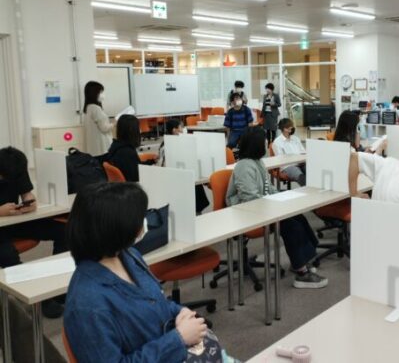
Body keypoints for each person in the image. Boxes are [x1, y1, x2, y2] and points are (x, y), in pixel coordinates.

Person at [64, 182, 234, 362]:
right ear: (116, 229)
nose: (144, 223)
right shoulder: (87, 304)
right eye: (138, 218)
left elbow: (155, 301)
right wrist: (178, 339)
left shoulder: (127, 255)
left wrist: (180, 312)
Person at [226, 128, 327, 288]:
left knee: (298, 217)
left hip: (260, 205)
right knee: (289, 225)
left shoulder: (258, 162)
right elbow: (250, 199)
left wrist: (283, 197)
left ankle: (302, 260)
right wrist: (275, 204)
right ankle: (301, 273)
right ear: (256, 145)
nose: (267, 144)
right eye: (264, 141)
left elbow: (268, 188)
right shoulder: (244, 166)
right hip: (245, 211)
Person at [0, 147, 67, 318]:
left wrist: (30, 203)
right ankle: (40, 298)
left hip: (15, 219)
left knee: (65, 231)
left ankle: (57, 289)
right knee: (7, 255)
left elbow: (27, 194)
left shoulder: (16, 166)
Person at [157, 119, 210, 214]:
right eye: (181, 127)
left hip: (180, 175)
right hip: (173, 178)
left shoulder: (173, 141)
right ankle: (197, 212)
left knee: (195, 182)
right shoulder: (168, 146)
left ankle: (197, 211)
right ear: (174, 130)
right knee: (195, 185)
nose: (183, 130)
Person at [105, 114, 142, 182]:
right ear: (133, 131)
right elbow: (136, 176)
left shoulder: (116, 145)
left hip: (121, 185)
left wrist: (150, 161)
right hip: (132, 185)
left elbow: (135, 166)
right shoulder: (127, 152)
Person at [83, 81, 113, 156]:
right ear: (94, 93)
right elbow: (104, 128)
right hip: (102, 148)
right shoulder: (95, 108)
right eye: (101, 92)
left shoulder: (88, 107)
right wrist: (115, 123)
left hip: (94, 149)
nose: (103, 94)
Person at [272, 118, 306, 186]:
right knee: (301, 176)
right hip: (288, 166)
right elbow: (280, 160)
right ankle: (308, 191)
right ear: (284, 129)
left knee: (312, 172)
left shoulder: (295, 138)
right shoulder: (277, 142)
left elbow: (303, 152)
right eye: (290, 126)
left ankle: (316, 190)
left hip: (300, 163)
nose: (292, 127)